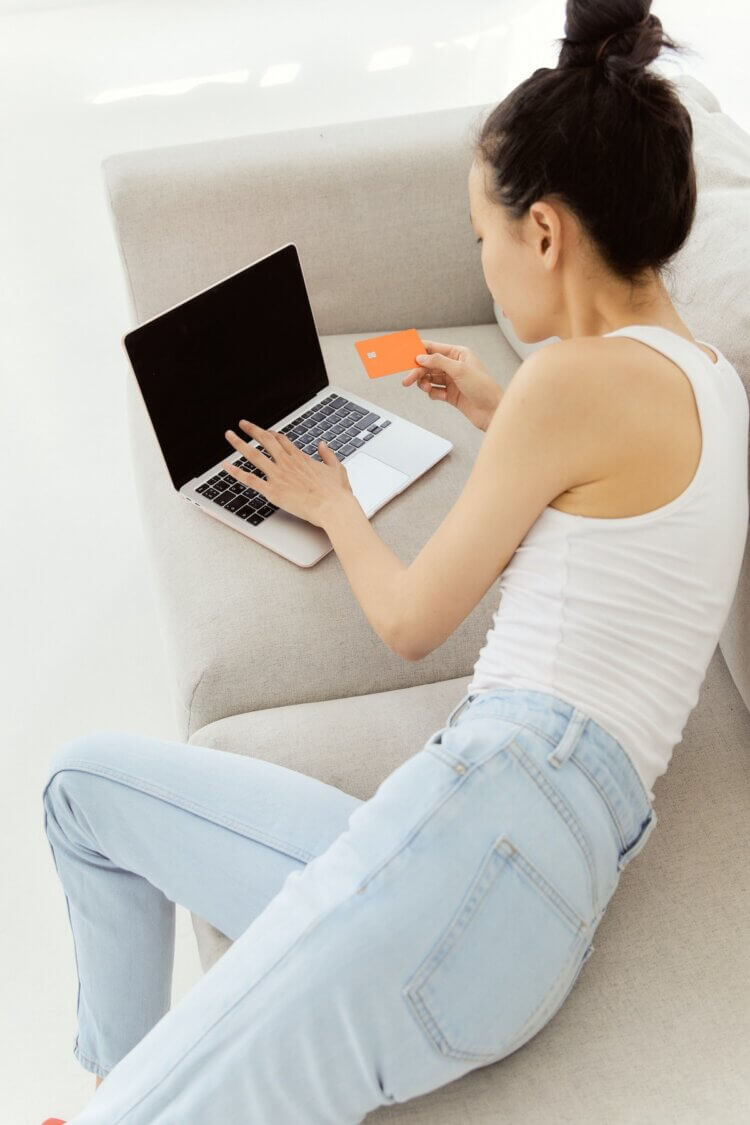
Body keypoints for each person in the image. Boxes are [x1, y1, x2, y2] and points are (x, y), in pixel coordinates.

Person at [40, 1, 749, 1122]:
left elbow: (413, 622)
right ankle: (122, 1074)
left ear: (549, 233)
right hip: (498, 885)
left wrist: (333, 505)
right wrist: (496, 404)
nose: (483, 261)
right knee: (83, 790)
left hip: (475, 845)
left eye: (482, 237)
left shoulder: (573, 383)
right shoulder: (704, 377)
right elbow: (623, 501)